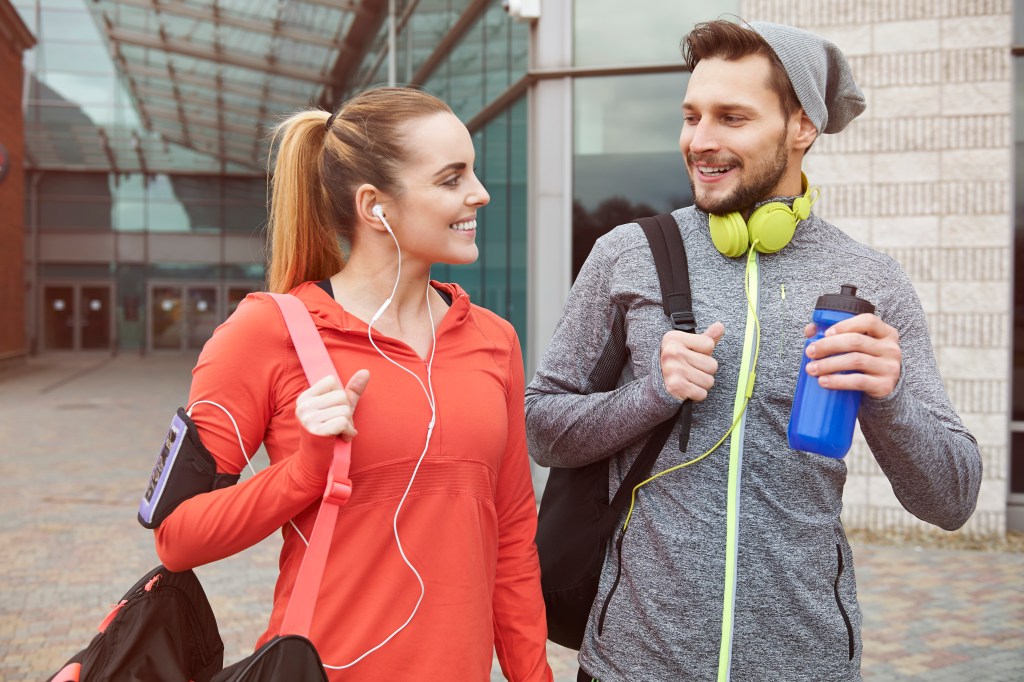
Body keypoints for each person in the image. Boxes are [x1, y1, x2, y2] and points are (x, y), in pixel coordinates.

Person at [524, 20, 982, 682]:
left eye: (731, 117)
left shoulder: (874, 283)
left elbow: (953, 499)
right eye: (692, 116)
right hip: (634, 664)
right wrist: (649, 393)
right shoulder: (627, 253)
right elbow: (543, 427)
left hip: (806, 665)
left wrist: (891, 397)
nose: (700, 140)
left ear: (801, 126)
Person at [154, 87, 553, 681]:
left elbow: (514, 539)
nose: (480, 194)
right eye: (452, 178)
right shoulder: (269, 331)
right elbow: (177, 539)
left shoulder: (494, 340)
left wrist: (532, 676)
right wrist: (304, 472)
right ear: (375, 207)